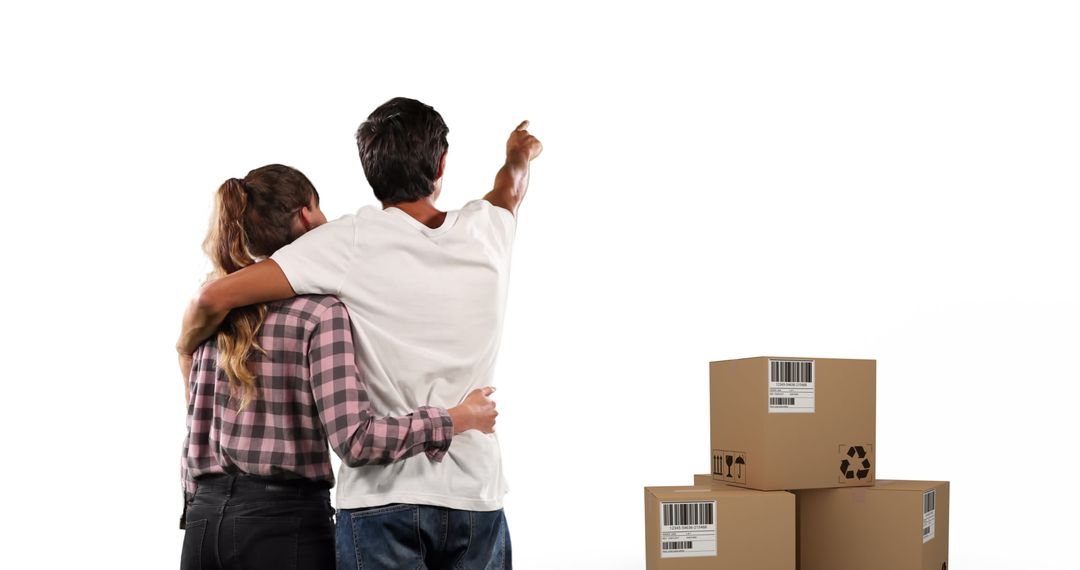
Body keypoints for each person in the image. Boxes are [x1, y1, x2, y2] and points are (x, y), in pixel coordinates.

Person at [176, 98, 542, 569]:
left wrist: (186, 346)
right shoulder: (490, 230)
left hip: (377, 499)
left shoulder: (343, 243)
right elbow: (509, 190)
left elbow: (217, 296)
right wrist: (518, 155)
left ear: (370, 172)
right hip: (476, 494)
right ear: (442, 164)